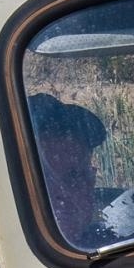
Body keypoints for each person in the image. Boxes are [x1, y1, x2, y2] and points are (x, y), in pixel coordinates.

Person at [28, 93, 108, 241]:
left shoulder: (111, 241)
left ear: (91, 181)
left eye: (74, 178)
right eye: (42, 181)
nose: (62, 194)